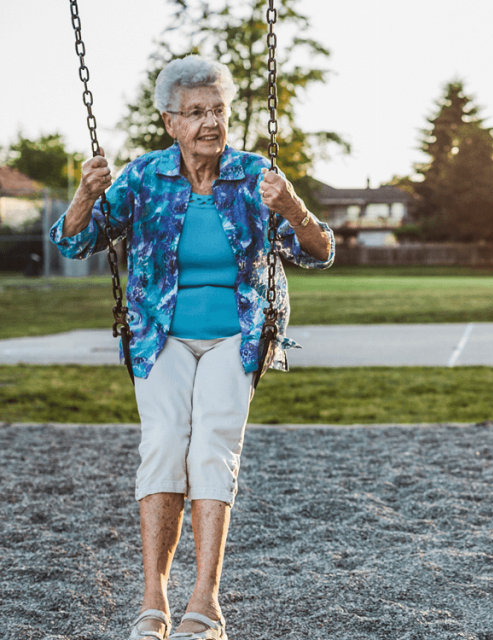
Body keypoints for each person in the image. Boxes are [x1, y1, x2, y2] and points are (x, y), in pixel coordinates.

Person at [51, 55, 335, 640]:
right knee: (161, 444)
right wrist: (84, 194)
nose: (210, 122)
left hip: (237, 334)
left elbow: (319, 250)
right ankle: (153, 600)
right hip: (161, 336)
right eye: (196, 112)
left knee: (211, 447)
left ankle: (204, 605)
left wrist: (293, 209)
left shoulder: (256, 175)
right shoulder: (143, 177)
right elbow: (73, 240)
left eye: (218, 110)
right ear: (169, 122)